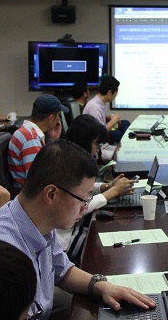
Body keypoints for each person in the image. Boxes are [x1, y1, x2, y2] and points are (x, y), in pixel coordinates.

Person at [0, 140, 168, 320]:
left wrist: (102, 286)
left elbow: (62, 269)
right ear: (51, 194)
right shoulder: (2, 251)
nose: (85, 207)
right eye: (84, 198)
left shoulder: (35, 218)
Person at [60, 114, 136, 251]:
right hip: (66, 242)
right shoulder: (67, 166)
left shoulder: (69, 156)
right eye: (96, 144)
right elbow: (77, 206)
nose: (97, 149)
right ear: (84, 141)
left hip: (74, 230)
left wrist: (107, 186)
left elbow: (80, 188)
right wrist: (113, 192)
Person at [8, 94, 69, 189]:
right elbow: (38, 180)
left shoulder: (30, 133)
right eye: (58, 116)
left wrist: (54, 140)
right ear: (51, 118)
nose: (59, 119)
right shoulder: (30, 139)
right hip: (30, 194)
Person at [83, 75, 130, 143]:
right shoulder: (94, 107)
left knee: (125, 123)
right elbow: (99, 134)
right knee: (119, 134)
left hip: (101, 130)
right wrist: (113, 121)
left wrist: (108, 117)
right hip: (96, 139)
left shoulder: (98, 102)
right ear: (109, 93)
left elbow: (98, 120)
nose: (115, 96)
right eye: (115, 94)